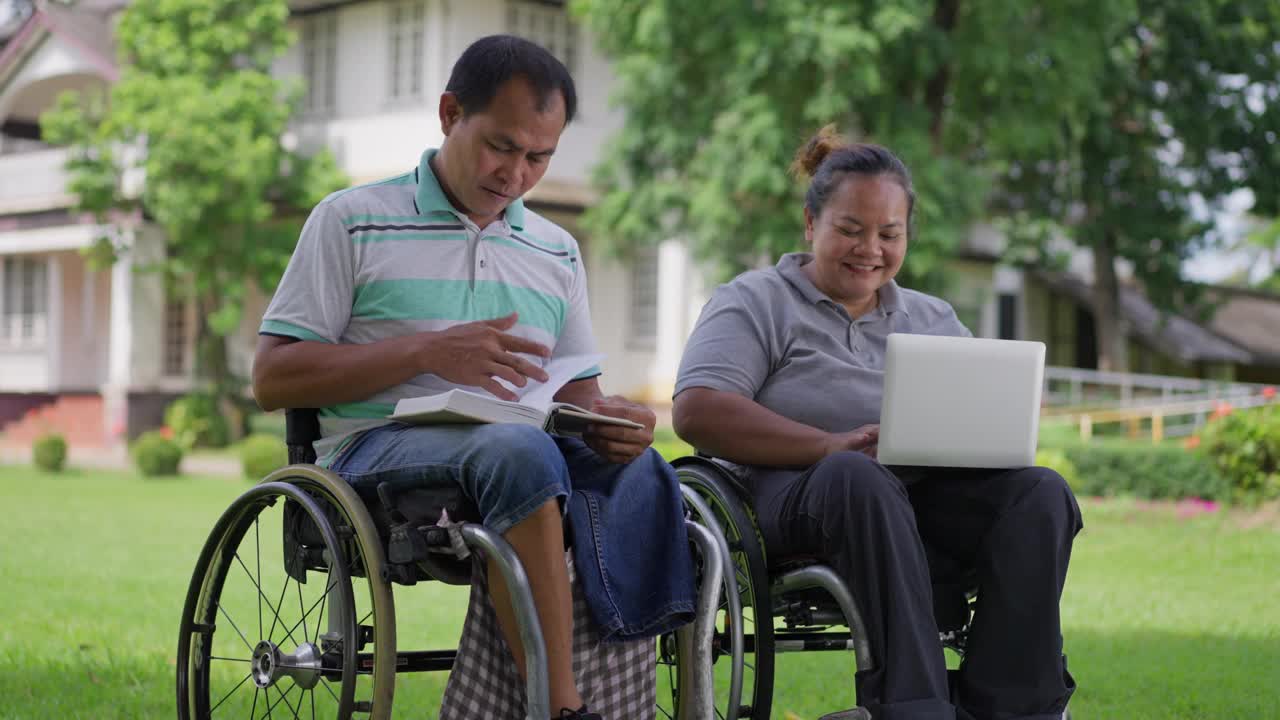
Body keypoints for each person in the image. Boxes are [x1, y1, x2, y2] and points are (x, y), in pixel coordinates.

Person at [253, 35, 695, 720]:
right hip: (374, 451)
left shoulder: (555, 251)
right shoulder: (351, 220)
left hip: (522, 452)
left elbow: (578, 396)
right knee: (517, 452)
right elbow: (273, 378)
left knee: (647, 474)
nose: (515, 173)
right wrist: (427, 352)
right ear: (450, 112)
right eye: (501, 146)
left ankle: (644, 702)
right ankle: (560, 707)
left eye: (538, 157)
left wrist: (614, 421)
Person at [673, 126, 1081, 720]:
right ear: (812, 225)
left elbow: (977, 410)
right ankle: (916, 708)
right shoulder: (756, 299)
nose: (871, 249)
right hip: (792, 496)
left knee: (1041, 493)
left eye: (890, 234)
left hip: (916, 497)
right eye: (850, 230)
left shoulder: (930, 316)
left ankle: (1013, 707)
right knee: (857, 475)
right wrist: (827, 444)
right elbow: (698, 409)